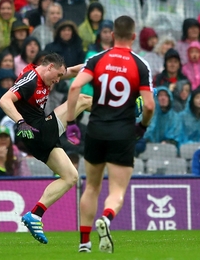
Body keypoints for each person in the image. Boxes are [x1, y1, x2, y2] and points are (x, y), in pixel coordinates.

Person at [67, 16, 155, 254]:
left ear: (112, 35)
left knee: (91, 187)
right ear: (134, 37)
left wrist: (71, 122)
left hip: (95, 130)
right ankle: (105, 219)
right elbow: (149, 106)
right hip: (123, 133)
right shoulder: (140, 65)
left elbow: (75, 86)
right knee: (117, 191)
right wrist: (142, 127)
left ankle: (84, 242)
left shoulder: (96, 60)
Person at [0, 52, 92, 245]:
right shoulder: (30, 79)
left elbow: (74, 71)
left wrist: (99, 66)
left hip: (39, 138)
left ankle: (35, 215)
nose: (58, 80)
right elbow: (4, 101)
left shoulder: (47, 76)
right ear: (49, 67)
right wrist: (21, 122)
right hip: (37, 130)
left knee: (70, 176)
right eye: (57, 75)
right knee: (81, 99)